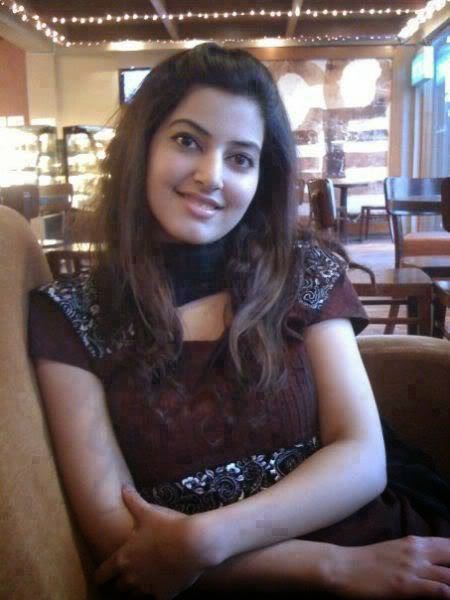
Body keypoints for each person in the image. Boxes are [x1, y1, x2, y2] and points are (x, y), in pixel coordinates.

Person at [28, 43, 449, 599]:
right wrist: (328, 567)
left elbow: (362, 456)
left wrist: (206, 538)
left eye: (241, 158)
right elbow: (119, 534)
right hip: (206, 583)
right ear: (142, 146)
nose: (211, 175)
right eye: (187, 141)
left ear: (261, 177)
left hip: (375, 546)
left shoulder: (303, 270)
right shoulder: (70, 314)